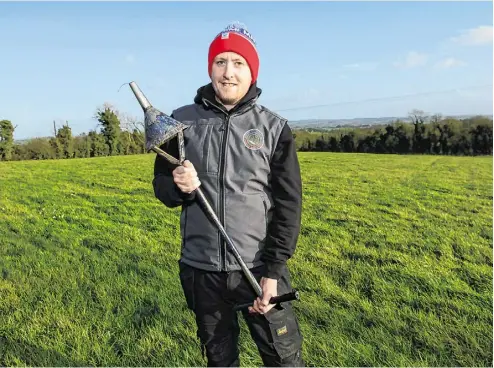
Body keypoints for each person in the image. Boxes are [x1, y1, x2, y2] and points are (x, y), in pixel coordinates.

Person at [152, 22, 304, 367]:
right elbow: (161, 188)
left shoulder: (274, 128)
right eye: (220, 62)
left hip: (257, 268)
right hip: (200, 269)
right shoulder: (178, 123)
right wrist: (178, 184)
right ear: (210, 69)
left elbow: (288, 204)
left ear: (252, 72)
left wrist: (274, 271)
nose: (228, 73)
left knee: (284, 360)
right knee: (219, 360)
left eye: (238, 63)